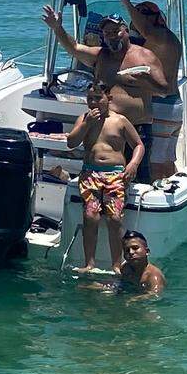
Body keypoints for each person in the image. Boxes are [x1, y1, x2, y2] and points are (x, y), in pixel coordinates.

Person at [42, 6, 167, 183]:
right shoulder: (101, 55)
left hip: (136, 128)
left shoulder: (145, 57)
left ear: (126, 30)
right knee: (102, 176)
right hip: (104, 127)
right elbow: (74, 48)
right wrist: (57, 28)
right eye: (107, 32)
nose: (112, 35)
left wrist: (146, 80)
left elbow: (164, 90)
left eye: (116, 31)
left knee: (138, 179)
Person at [67, 82, 144, 273]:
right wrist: (86, 124)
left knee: (114, 218)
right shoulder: (84, 118)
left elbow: (138, 145)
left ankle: (116, 264)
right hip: (90, 173)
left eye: (97, 98)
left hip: (115, 174)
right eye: (89, 98)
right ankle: (89, 263)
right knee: (90, 216)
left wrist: (133, 164)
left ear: (108, 99)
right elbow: (71, 142)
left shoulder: (120, 121)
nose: (93, 103)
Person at [117, 0, 184, 180]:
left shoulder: (160, 37)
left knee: (155, 164)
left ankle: (157, 202)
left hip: (162, 107)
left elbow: (146, 30)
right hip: (172, 106)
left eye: (141, 16)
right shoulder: (164, 39)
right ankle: (174, 191)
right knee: (166, 162)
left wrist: (127, 4)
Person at [119, 230, 166, 300]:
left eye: (135, 248)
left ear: (147, 252)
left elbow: (155, 295)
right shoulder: (125, 268)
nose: (131, 252)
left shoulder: (154, 276)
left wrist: (135, 299)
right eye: (127, 250)